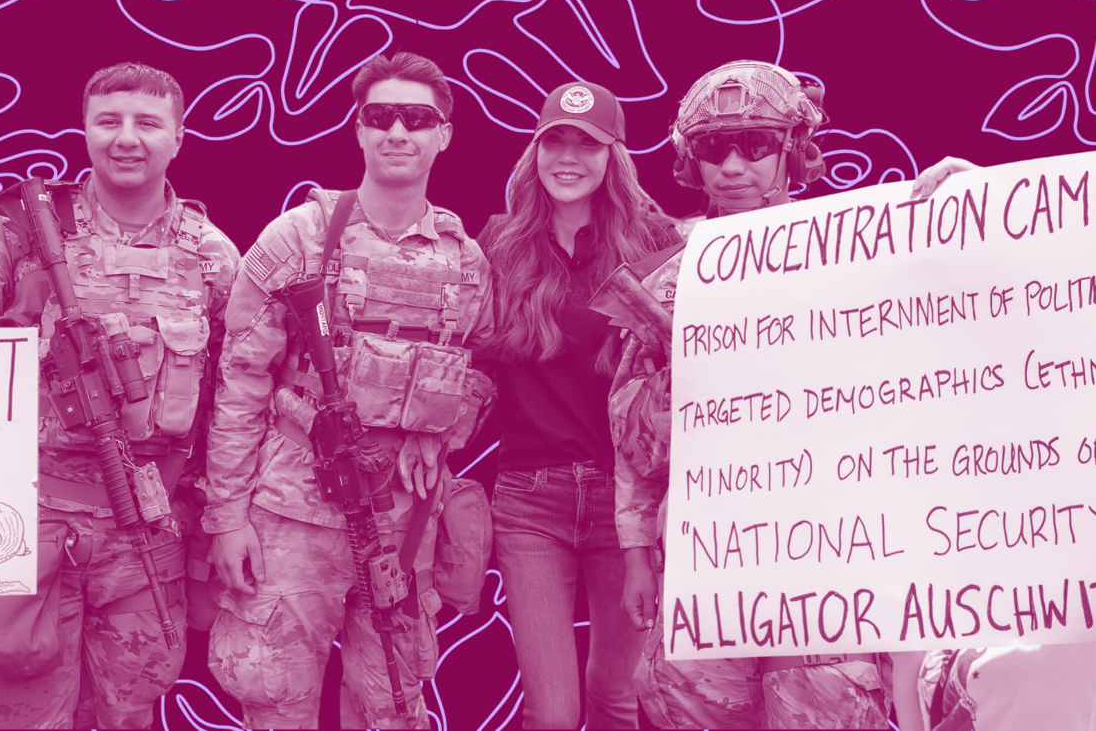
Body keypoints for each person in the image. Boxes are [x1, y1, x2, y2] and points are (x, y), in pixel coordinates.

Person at [204, 51, 494, 730]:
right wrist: (227, 518)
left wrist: (439, 427)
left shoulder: (465, 259)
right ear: (359, 131)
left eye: (417, 118)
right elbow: (241, 382)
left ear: (444, 134)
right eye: (381, 117)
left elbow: (475, 373)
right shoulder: (298, 237)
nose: (399, 131)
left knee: (390, 702)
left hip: (403, 520)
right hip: (292, 516)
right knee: (276, 700)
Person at [0, 62, 239, 729]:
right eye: (109, 121)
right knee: (11, 714)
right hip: (24, 525)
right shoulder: (15, 234)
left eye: (147, 123)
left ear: (179, 138)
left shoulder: (213, 259)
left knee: (128, 714)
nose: (126, 138)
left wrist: (215, 523)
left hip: (146, 532)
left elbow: (235, 404)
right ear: (84, 131)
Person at [616, 59, 895, 729]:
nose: (733, 166)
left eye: (756, 145)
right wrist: (634, 556)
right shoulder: (666, 283)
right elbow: (630, 441)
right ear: (692, 160)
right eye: (714, 149)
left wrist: (956, 196)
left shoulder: (856, 259)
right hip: (705, 555)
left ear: (793, 152)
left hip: (829, 556)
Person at [476, 80, 679, 729]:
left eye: (587, 144)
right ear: (534, 150)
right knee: (554, 715)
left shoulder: (657, 243)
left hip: (624, 510)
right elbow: (464, 370)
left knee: (619, 698)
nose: (569, 156)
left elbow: (761, 238)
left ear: (612, 155)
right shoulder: (497, 246)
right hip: (529, 502)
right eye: (554, 140)